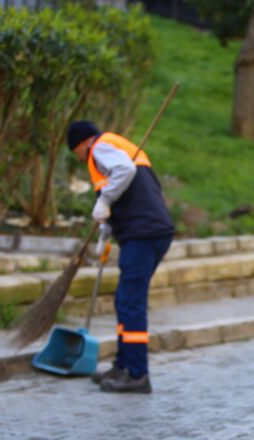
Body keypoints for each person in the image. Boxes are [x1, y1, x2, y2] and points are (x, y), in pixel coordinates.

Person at [66, 120, 175, 394]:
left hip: (142, 233)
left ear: (81, 143)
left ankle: (137, 375)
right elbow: (130, 190)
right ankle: (123, 365)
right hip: (148, 231)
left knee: (131, 302)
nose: (79, 159)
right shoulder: (117, 146)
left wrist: (103, 201)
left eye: (76, 153)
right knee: (124, 299)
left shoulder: (99, 147)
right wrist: (107, 229)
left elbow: (125, 171)